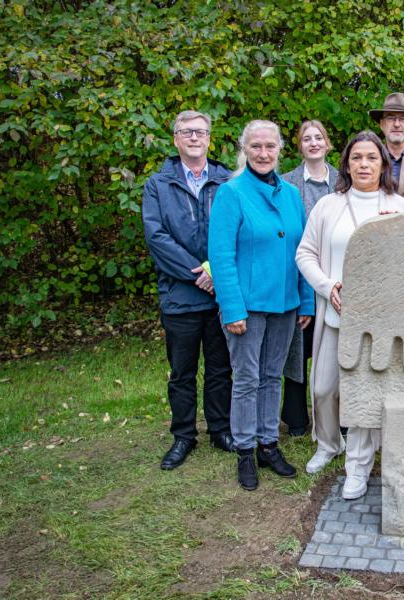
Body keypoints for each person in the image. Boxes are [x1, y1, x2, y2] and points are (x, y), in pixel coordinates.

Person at [297, 131, 404, 500]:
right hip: (336, 312)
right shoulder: (329, 205)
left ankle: (358, 467)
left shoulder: (399, 205)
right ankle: (329, 443)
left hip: (378, 320)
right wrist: (327, 286)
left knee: (363, 393)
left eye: (371, 158)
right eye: (357, 158)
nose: (364, 164)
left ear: (383, 163)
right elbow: (305, 254)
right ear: (346, 163)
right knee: (324, 387)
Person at [208, 120, 314, 491]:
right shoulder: (232, 193)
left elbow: (304, 249)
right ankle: (245, 450)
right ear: (245, 149)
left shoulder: (289, 194)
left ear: (280, 149)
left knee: (272, 376)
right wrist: (232, 308)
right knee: (247, 378)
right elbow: (220, 255)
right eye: (256, 146)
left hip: (285, 304)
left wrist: (305, 299)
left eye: (270, 146)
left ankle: (269, 444)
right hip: (248, 307)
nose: (264, 153)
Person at [142, 110, 235, 470]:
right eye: (187, 132)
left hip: (220, 294)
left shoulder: (227, 181)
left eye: (201, 132)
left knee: (220, 367)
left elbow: (234, 231)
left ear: (210, 138)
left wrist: (217, 274)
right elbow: (157, 236)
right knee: (182, 372)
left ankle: (220, 429)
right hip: (180, 296)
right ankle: (183, 436)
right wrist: (198, 273)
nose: (194, 137)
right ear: (176, 139)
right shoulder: (158, 185)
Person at [280, 121, 338, 437]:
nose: (313, 143)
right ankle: (296, 417)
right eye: (306, 139)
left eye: (318, 137)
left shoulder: (343, 182)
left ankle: (337, 415)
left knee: (335, 351)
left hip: (335, 280)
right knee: (298, 349)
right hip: (300, 277)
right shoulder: (286, 184)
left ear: (327, 144)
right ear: (300, 146)